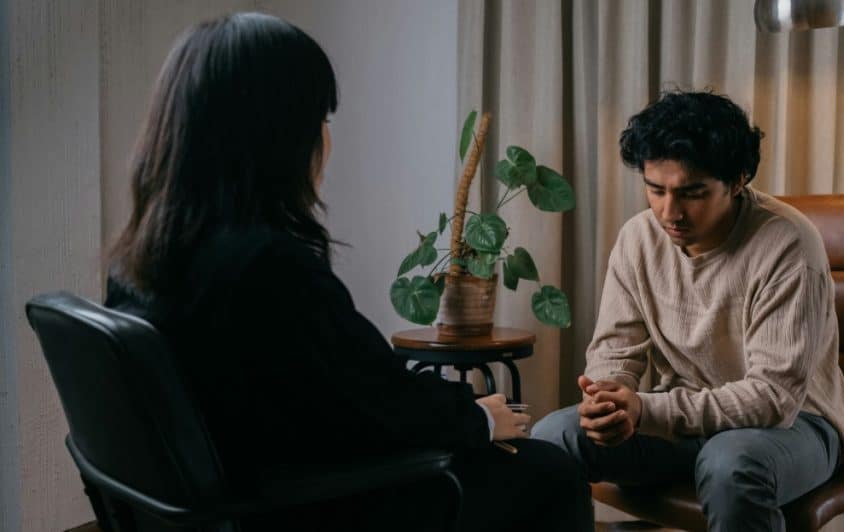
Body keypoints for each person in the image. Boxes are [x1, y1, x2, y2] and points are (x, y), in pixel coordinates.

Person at [104, 12, 592, 531]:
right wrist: (477, 418)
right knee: (550, 473)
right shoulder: (268, 268)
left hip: (234, 496)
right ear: (278, 136)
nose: (326, 140)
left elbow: (335, 394)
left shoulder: (139, 264)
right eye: (321, 119)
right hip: (307, 503)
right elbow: (373, 405)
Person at [532, 90, 844, 531]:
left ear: (737, 181)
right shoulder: (638, 239)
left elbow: (773, 397)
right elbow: (615, 349)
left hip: (795, 425)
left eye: (691, 193)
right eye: (656, 190)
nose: (669, 212)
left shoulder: (786, 243)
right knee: (552, 439)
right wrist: (608, 400)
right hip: (684, 423)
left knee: (730, 463)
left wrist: (647, 412)